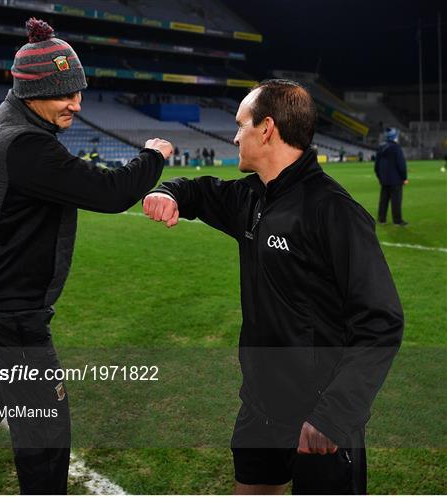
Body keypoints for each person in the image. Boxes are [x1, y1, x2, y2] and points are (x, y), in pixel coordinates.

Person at [0, 18, 172, 495]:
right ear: (32, 92)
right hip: (10, 305)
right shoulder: (25, 144)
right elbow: (111, 193)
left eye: (79, 91)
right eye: (63, 94)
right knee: (45, 428)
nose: (76, 103)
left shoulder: (14, 122)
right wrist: (153, 154)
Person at [143, 80, 403, 494]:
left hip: (318, 416)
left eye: (241, 124)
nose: (234, 135)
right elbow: (198, 189)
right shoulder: (251, 198)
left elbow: (382, 322)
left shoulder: (333, 211)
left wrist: (333, 415)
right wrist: (166, 193)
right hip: (260, 407)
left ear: (266, 129)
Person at [374, 127, 408, 226]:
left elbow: (376, 166)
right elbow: (401, 164)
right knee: (396, 201)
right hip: (396, 180)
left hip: (384, 179)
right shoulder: (396, 148)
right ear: (394, 137)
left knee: (383, 200)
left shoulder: (381, 147)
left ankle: (381, 219)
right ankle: (397, 220)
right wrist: (404, 177)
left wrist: (380, 177)